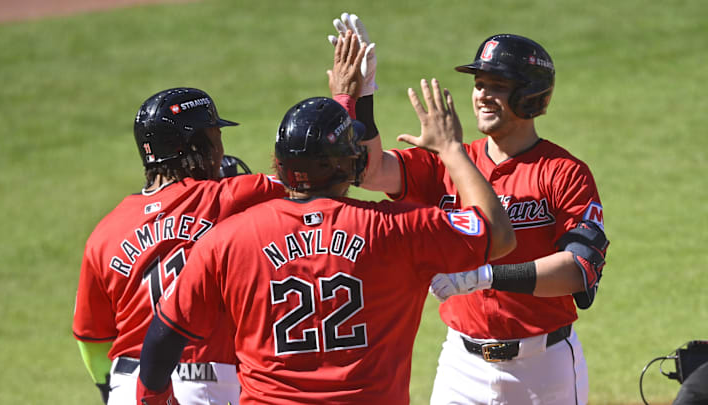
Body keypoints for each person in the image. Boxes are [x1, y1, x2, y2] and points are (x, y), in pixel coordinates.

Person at [134, 31, 516, 405]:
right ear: (350, 165)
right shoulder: (396, 228)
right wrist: (451, 150)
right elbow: (498, 234)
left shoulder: (227, 240)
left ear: (279, 167)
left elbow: (163, 336)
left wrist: (154, 399)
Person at [328, 14, 610, 405]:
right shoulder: (448, 161)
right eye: (479, 85)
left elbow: (579, 269)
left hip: (543, 369)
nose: (481, 95)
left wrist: (486, 276)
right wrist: (362, 96)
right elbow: (369, 171)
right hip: (463, 367)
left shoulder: (563, 172)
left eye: (497, 86)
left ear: (530, 95)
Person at [72, 86, 287, 404]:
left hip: (129, 386)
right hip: (203, 385)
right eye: (215, 137)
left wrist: (113, 391)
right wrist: (345, 104)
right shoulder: (227, 198)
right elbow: (315, 176)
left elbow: (92, 338)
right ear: (195, 146)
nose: (220, 149)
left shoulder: (104, 233)